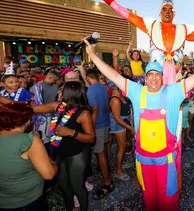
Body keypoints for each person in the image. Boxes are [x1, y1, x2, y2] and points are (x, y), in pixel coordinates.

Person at [83, 36, 194, 210]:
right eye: (150, 75)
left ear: (163, 78)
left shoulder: (174, 92)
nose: (154, 79)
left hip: (166, 163)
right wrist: (93, 56)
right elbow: (113, 75)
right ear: (145, 78)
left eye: (157, 75)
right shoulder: (137, 91)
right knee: (149, 201)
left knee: (168, 202)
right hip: (144, 161)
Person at [31, 82, 95, 211]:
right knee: (63, 185)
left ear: (68, 94)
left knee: (77, 186)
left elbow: (91, 137)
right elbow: (34, 109)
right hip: (61, 152)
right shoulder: (58, 106)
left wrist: (72, 132)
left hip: (78, 153)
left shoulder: (83, 113)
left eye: (62, 90)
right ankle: (69, 208)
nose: (59, 92)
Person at [0, 102, 58, 210]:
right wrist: (54, 165)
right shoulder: (29, 140)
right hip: (28, 202)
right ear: (28, 120)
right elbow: (49, 174)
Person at [85, 69, 113, 200]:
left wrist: (90, 129)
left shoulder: (91, 90)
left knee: (100, 154)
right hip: (106, 122)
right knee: (103, 152)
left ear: (88, 78)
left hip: (98, 126)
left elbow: (94, 109)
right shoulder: (103, 87)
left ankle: (107, 183)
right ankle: (106, 173)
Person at [30, 70, 60, 155]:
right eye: (54, 80)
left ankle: (53, 154)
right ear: (49, 77)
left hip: (53, 115)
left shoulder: (54, 86)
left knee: (53, 137)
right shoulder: (37, 87)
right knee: (44, 138)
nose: (55, 82)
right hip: (41, 118)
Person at [109, 85, 134, 180]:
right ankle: (118, 171)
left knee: (121, 146)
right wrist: (129, 127)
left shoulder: (121, 95)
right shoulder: (115, 99)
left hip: (124, 123)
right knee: (122, 147)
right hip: (118, 125)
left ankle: (121, 163)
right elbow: (117, 118)